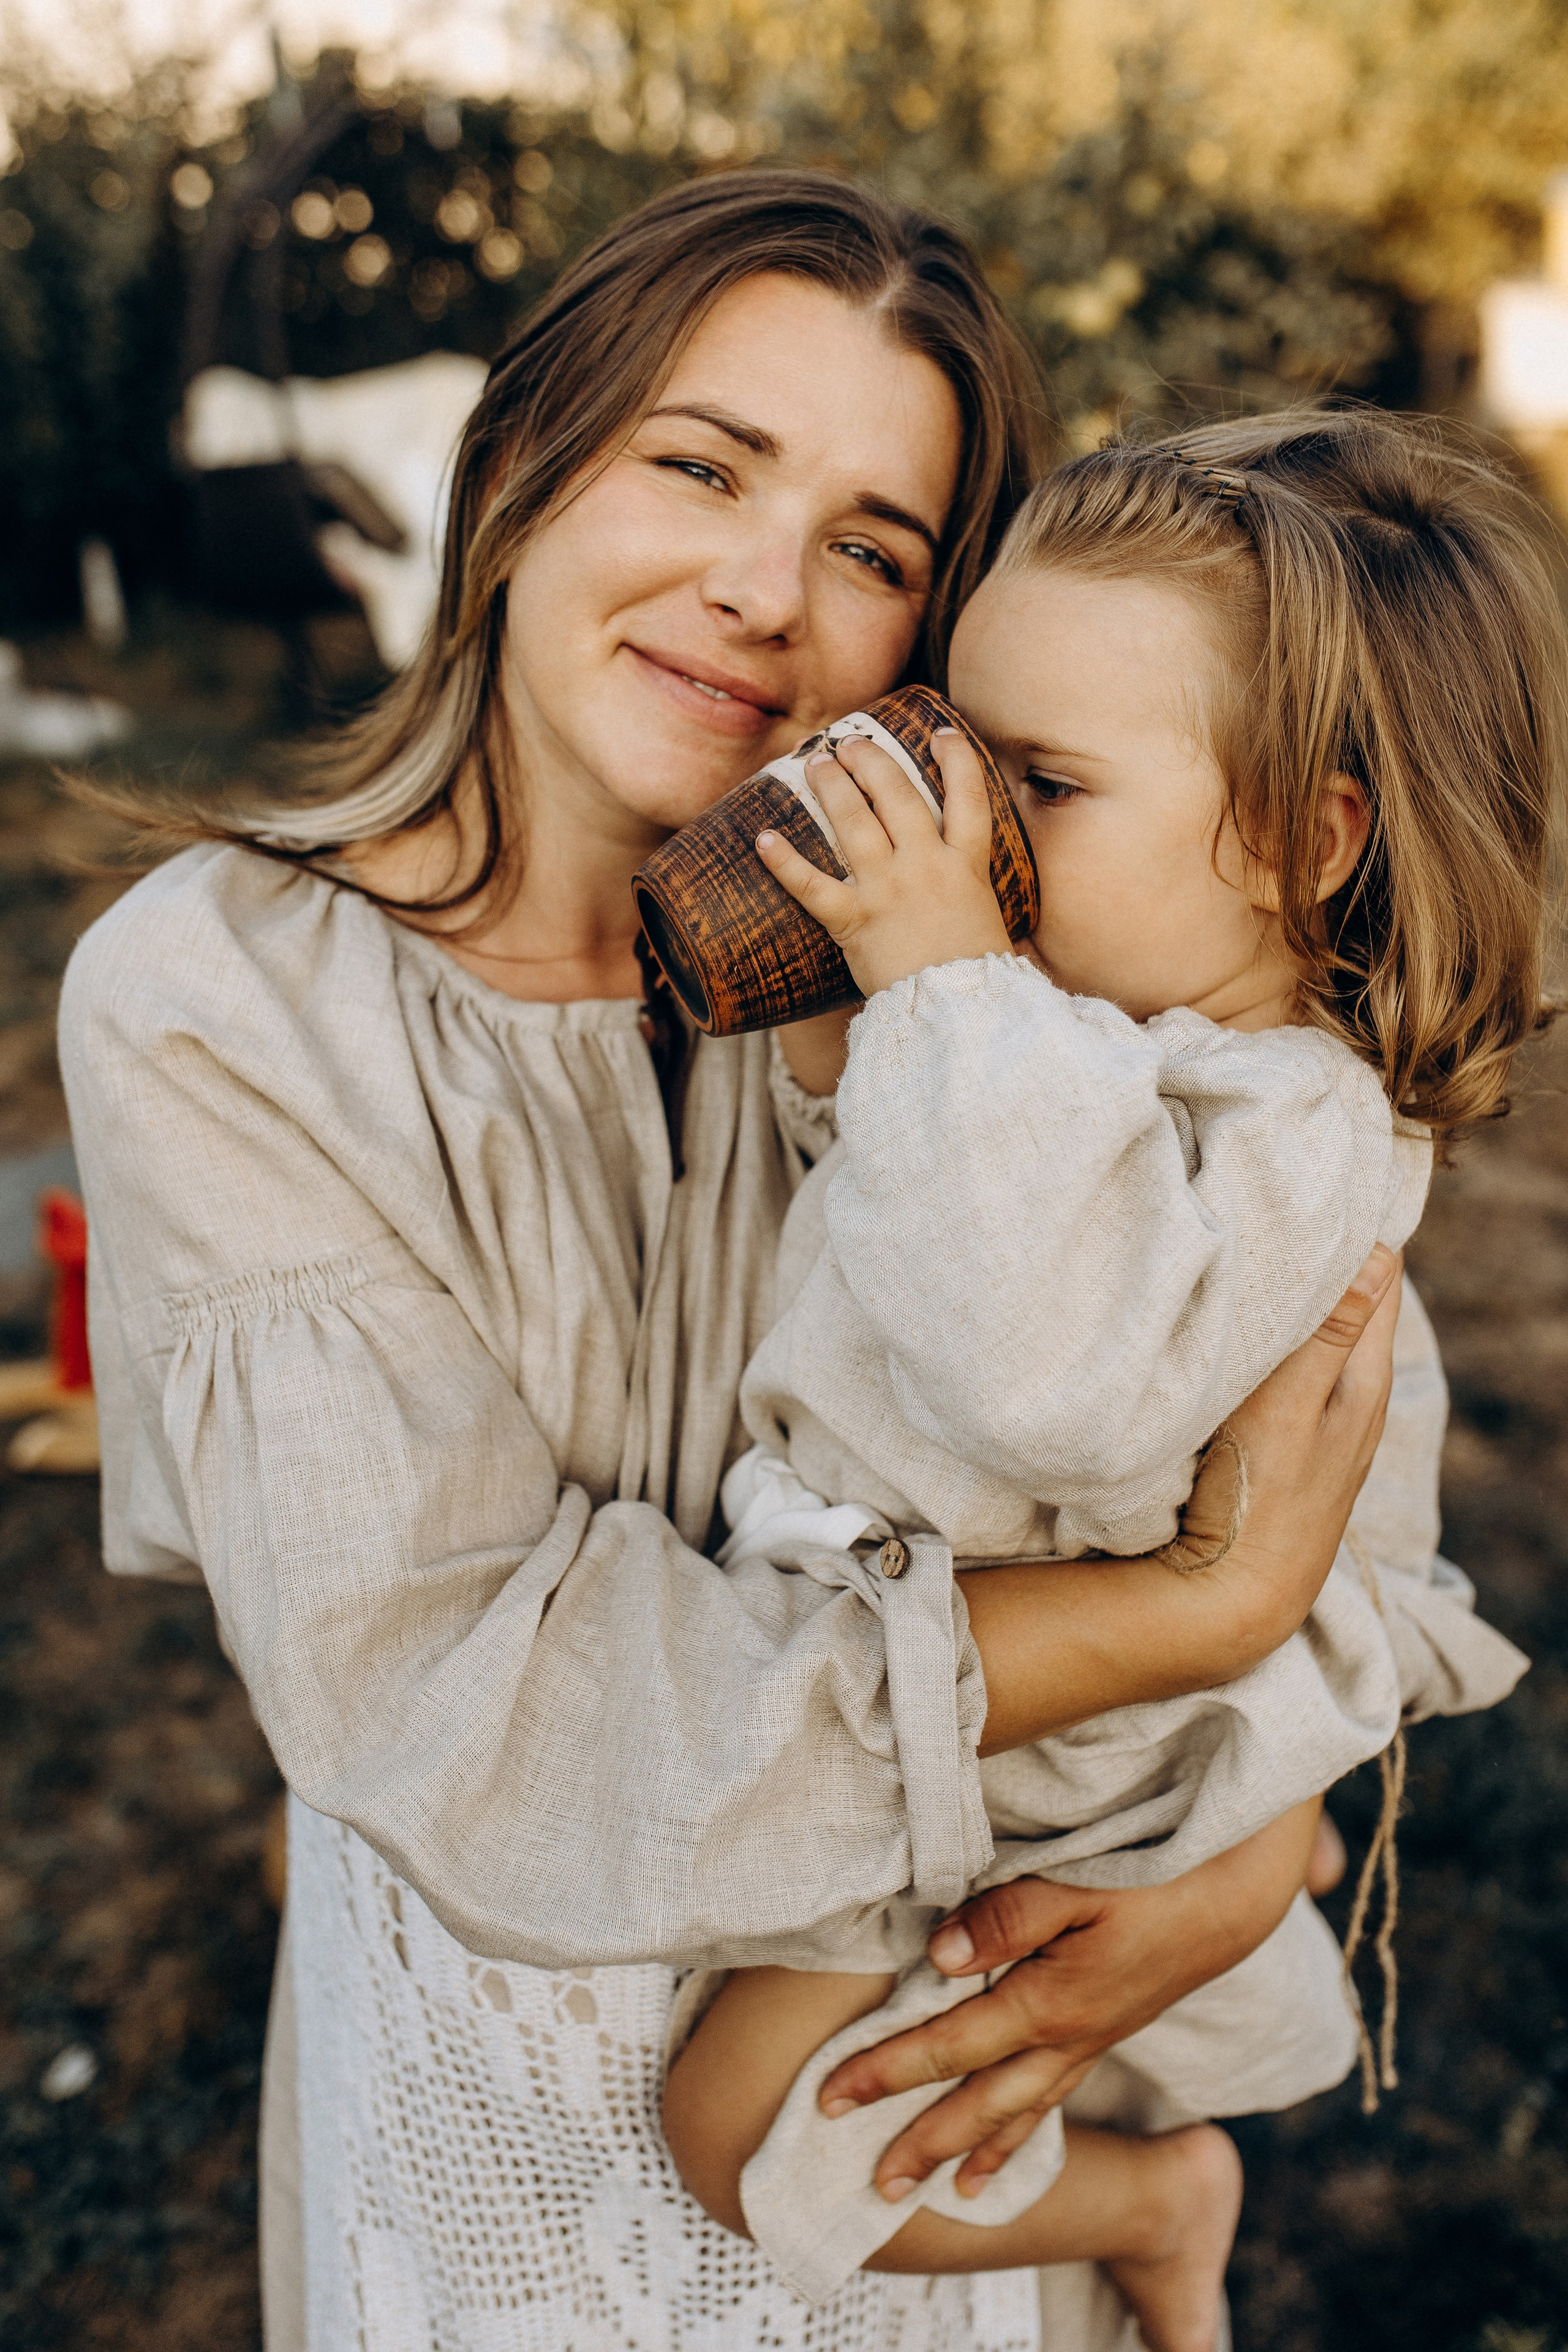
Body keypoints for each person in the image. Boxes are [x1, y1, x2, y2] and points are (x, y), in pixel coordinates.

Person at [61, 173, 1404, 2352]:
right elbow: (480, 1712)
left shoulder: (1008, 1002)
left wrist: (1254, 1830)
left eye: (877, 548)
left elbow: (1320, 1384)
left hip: (900, 2092)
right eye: (701, 465)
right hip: (508, 2118)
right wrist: (1187, 1617)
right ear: (515, 470)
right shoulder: (223, 1007)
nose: (766, 592)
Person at [661, 411, 1556, 2346]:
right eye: (964, 750)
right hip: (905, 1670)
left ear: (1303, 841)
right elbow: (900, 1235)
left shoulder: (1297, 1126)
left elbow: (1047, 1383)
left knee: (730, 2128)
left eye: (1043, 784)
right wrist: (859, 1038)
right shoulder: (1090, 1019)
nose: (979, 830)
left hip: (1025, 1749)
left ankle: (1164, 2202)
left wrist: (944, 986)